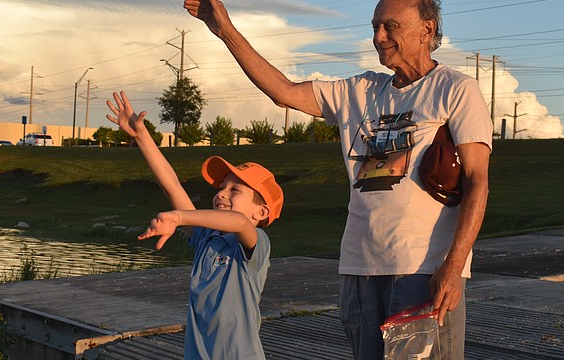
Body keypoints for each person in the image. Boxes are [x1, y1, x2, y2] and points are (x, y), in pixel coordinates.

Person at [184, 0, 492, 359]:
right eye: (375, 26)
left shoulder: (455, 88)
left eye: (390, 26)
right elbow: (282, 91)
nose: (378, 36)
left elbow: (477, 182)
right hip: (359, 270)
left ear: (427, 29)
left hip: (422, 271)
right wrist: (225, 30)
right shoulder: (359, 91)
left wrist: (453, 267)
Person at [105, 91, 284, 359]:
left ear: (262, 211)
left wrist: (179, 217)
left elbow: (238, 222)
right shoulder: (206, 239)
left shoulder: (255, 246)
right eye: (222, 187)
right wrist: (141, 137)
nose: (221, 193)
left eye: (235, 190)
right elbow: (172, 185)